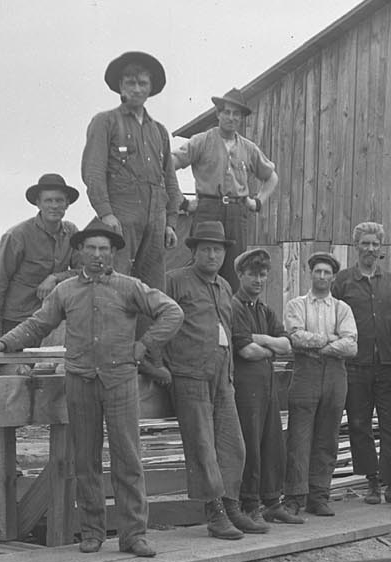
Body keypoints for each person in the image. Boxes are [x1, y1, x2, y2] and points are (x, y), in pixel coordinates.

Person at [0, 220, 183, 557]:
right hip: (80, 381)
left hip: (120, 382)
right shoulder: (65, 291)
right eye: (91, 248)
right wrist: (4, 342)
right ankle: (92, 532)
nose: (97, 255)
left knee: (128, 459)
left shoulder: (129, 287)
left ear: (112, 254)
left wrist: (143, 347)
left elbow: (172, 312)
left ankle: (134, 535)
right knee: (85, 460)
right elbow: (38, 324)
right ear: (80, 252)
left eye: (104, 249)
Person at [148, 219, 260, 540]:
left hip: (222, 375)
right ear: (194, 251)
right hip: (189, 374)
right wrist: (157, 365)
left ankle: (232, 505)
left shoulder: (224, 286)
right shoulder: (174, 281)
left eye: (218, 250)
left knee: (233, 445)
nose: (212, 256)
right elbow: (154, 322)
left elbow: (226, 330)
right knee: (202, 445)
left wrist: (230, 373)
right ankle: (215, 513)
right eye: (206, 249)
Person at [80, 51, 184, 289]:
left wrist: (171, 222)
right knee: (114, 284)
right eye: (131, 83)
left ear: (150, 88)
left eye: (142, 83)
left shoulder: (159, 131)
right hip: (121, 218)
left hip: (156, 220)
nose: (137, 89)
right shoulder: (105, 122)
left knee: (152, 289)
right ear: (121, 86)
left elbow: (170, 180)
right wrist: (106, 213)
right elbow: (93, 172)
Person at [171, 88, 281, 291]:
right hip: (208, 210)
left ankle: (229, 310)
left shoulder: (249, 148)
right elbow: (169, 164)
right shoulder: (201, 141)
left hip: (237, 213)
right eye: (227, 112)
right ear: (218, 114)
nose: (231, 117)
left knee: (235, 268)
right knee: (204, 265)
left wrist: (257, 202)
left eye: (236, 114)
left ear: (241, 118)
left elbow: (271, 177)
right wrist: (182, 202)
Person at [331, 221, 391, 504]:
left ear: (381, 247)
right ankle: (372, 481)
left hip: (387, 364)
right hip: (355, 365)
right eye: (365, 243)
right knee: (359, 424)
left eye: (375, 244)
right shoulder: (342, 282)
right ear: (356, 246)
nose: (370, 249)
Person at [280, 252, 359, 519]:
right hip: (305, 374)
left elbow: (351, 345)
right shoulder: (296, 305)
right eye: (318, 272)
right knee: (299, 437)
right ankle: (294, 497)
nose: (322, 276)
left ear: (333, 277)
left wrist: (318, 346)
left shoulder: (342, 309)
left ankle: (319, 496)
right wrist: (329, 340)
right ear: (310, 274)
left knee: (327, 437)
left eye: (327, 272)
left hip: (335, 376)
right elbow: (295, 337)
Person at [230, 248, 297, 526]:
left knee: (272, 443)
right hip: (245, 388)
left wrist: (262, 340)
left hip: (267, 386)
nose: (258, 280)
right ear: (240, 275)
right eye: (252, 274)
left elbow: (287, 344)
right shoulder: (234, 307)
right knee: (251, 444)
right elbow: (246, 351)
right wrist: (270, 347)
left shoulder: (264, 310)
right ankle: (249, 505)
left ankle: (272, 502)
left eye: (262, 275)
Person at [0, 173, 81, 336]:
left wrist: (55, 277)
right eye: (48, 200)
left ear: (67, 204)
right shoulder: (18, 235)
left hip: (50, 319)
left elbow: (84, 272)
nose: (54, 206)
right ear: (38, 203)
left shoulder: (71, 232)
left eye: (59, 200)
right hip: (16, 320)